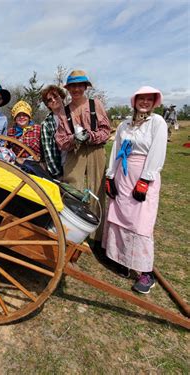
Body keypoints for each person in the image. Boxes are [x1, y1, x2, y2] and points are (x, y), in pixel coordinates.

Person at [103, 86, 167, 294]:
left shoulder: (157, 123)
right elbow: (116, 151)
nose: (145, 102)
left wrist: (145, 180)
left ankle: (145, 273)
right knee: (119, 216)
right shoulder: (125, 125)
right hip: (123, 174)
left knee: (141, 222)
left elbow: (157, 151)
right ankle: (122, 260)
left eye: (149, 99)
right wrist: (110, 176)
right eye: (142, 98)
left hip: (142, 175)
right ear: (135, 101)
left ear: (154, 102)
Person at [55, 70, 110, 247]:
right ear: (68, 89)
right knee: (72, 189)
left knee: (97, 189)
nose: (76, 89)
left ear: (85, 87)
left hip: (95, 150)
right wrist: (73, 139)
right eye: (73, 86)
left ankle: (96, 237)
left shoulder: (96, 105)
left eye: (80, 85)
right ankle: (71, 231)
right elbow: (61, 140)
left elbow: (106, 130)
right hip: (75, 151)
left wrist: (91, 136)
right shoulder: (64, 111)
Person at [40, 85, 67, 179]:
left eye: (55, 97)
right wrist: (58, 175)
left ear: (62, 96)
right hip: (62, 167)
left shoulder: (74, 113)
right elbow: (48, 153)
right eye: (49, 100)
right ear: (47, 105)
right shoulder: (46, 124)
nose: (54, 100)